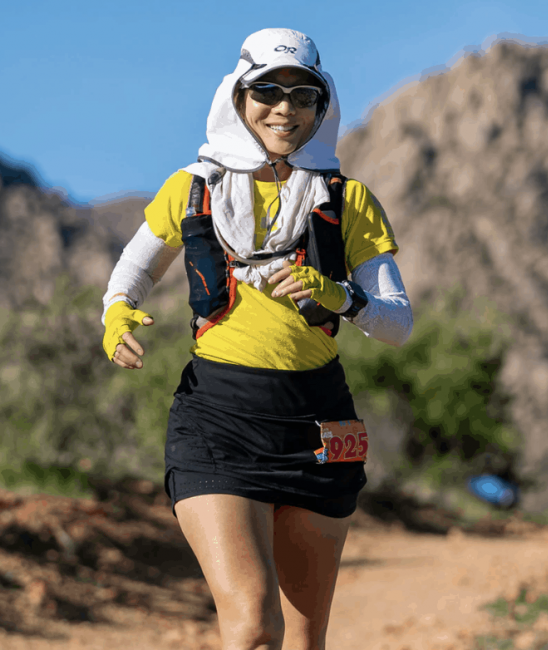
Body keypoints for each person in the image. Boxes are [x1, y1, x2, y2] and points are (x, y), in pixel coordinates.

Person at [99, 28, 412, 650]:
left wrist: (339, 295)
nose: (285, 109)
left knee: (302, 640)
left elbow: (398, 323)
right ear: (238, 98)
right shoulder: (193, 188)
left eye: (303, 96)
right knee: (252, 631)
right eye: (267, 91)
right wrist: (117, 315)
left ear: (322, 110)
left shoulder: (348, 200)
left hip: (320, 426)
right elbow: (134, 270)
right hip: (218, 420)